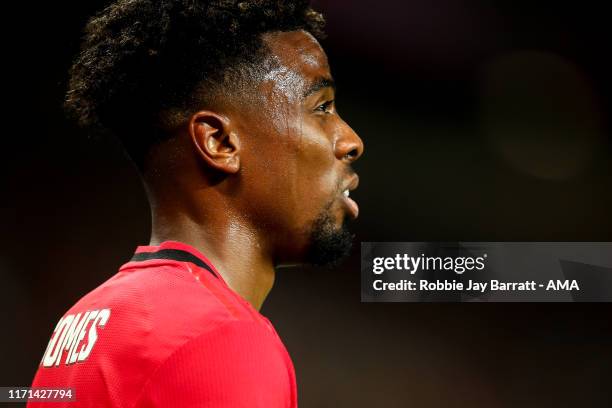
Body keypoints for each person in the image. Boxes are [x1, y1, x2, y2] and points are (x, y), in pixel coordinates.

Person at [29, 0, 363, 406]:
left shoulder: (81, 326)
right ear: (220, 142)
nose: (351, 141)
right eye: (322, 108)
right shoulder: (220, 337)